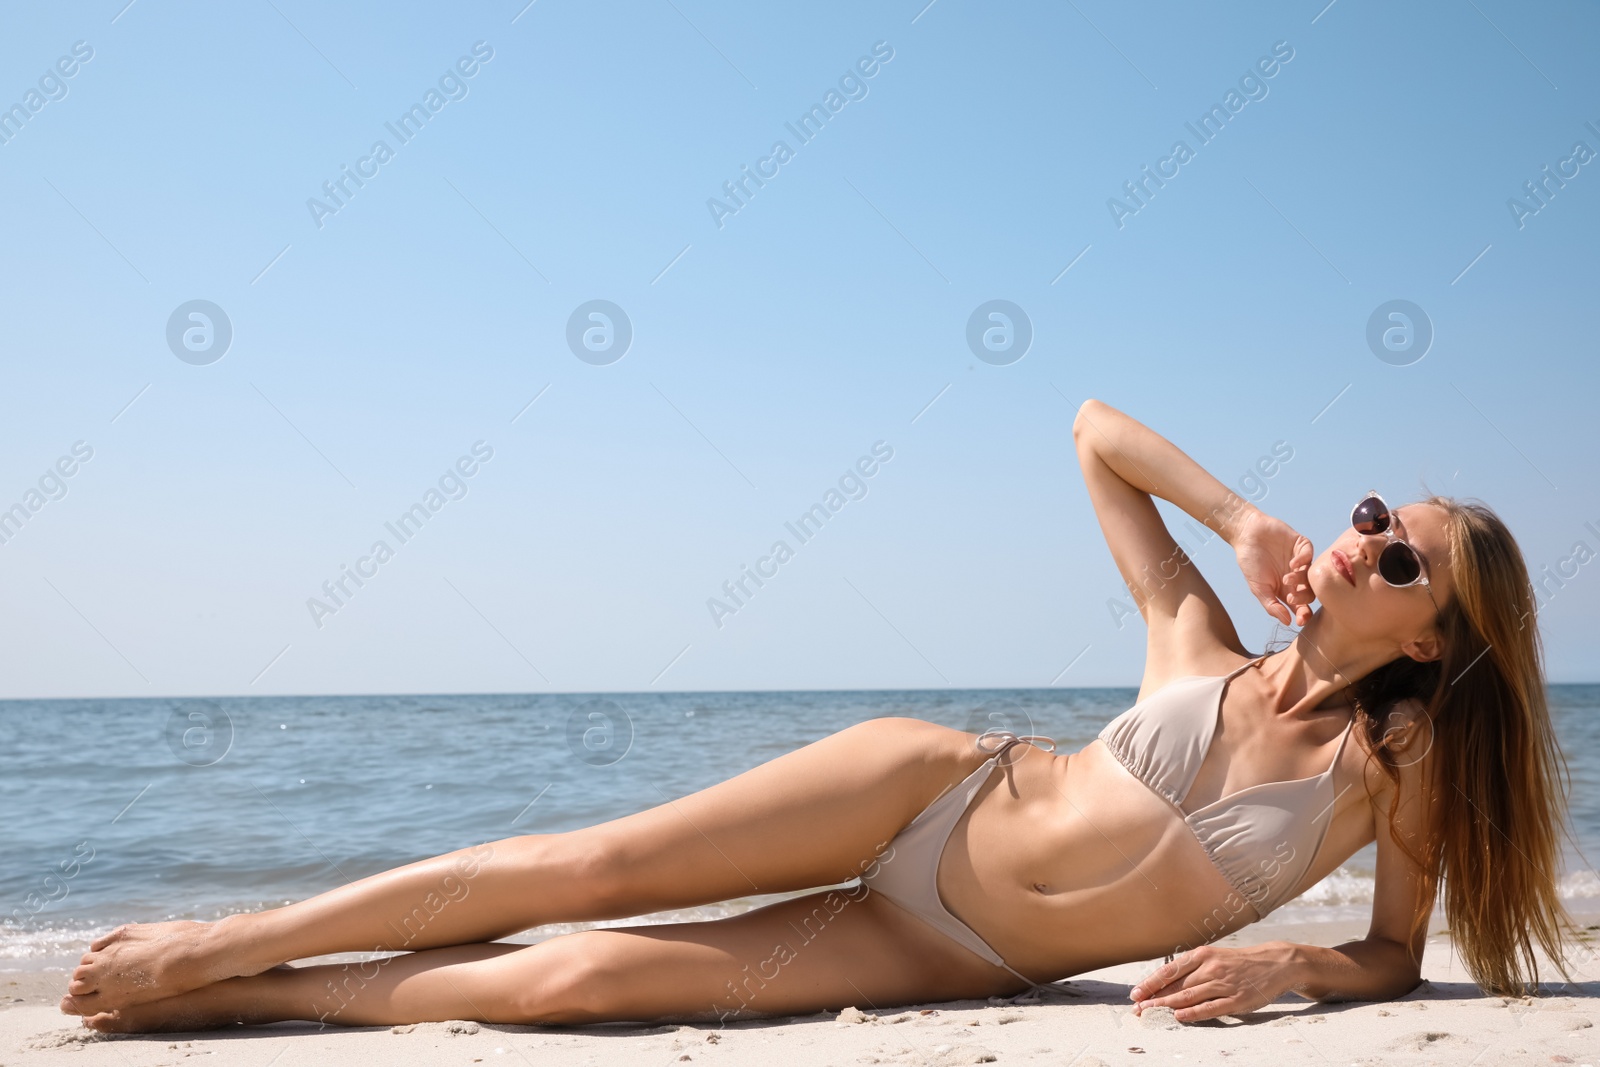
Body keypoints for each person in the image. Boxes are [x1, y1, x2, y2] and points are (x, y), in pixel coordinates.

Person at [60, 399, 1575, 1032]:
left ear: (1439, 634)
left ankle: (249, 1002)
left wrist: (1283, 967)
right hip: (928, 790)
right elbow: (1094, 436)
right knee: (589, 868)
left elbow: (1393, 953)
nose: (1362, 535)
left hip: (942, 949)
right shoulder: (1201, 636)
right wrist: (1245, 517)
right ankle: (229, 937)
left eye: (1398, 552)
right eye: (1375, 510)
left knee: (573, 982)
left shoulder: (1403, 772)